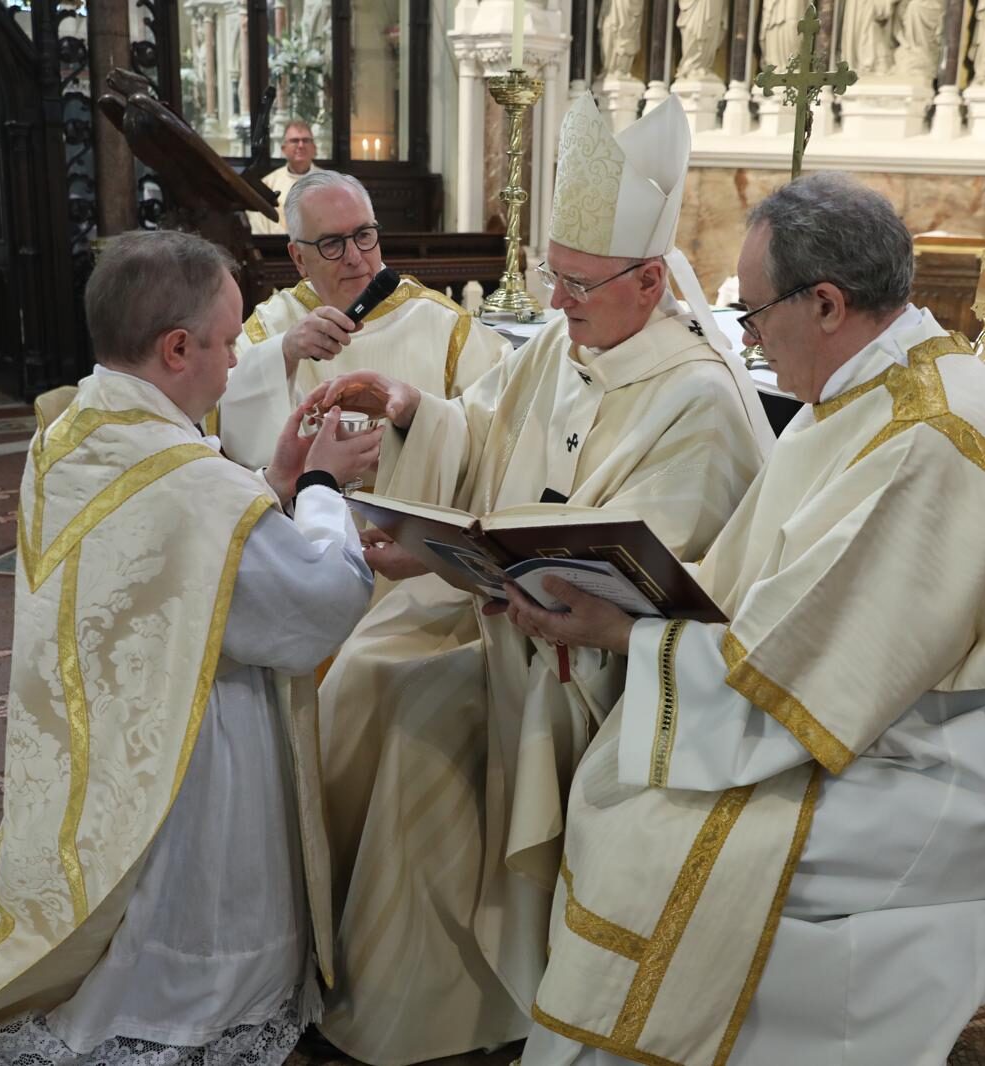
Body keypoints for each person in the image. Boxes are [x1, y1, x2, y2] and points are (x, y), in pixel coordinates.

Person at [501, 174, 985, 1066]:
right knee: (634, 800)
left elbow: (802, 676)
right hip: (872, 719)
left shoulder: (927, 438)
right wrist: (625, 596)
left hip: (944, 765)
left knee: (670, 840)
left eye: (756, 316)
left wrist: (619, 634)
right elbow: (777, 596)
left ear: (829, 304)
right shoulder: (857, 394)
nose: (751, 341)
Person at [305, 94, 774, 1065]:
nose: (554, 303)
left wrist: (529, 586)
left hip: (591, 663)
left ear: (648, 282)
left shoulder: (698, 398)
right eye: (550, 277)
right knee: (357, 670)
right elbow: (477, 427)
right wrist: (409, 410)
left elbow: (671, 574)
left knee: (413, 707)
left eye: (577, 284)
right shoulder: (565, 341)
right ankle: (330, 956)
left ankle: (433, 1007)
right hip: (492, 612)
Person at [0, 229, 381, 1065]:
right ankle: (190, 1004)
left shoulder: (73, 428)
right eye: (228, 341)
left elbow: (172, 562)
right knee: (189, 926)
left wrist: (274, 485)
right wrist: (324, 490)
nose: (235, 362)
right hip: (195, 752)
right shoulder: (193, 484)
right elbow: (316, 605)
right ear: (176, 348)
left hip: (105, 739)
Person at [215, 169, 506, 467]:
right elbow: (224, 419)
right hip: (303, 510)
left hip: (418, 509)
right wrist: (284, 355)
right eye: (332, 244)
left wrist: (417, 413)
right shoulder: (273, 326)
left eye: (364, 235)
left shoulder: (443, 322)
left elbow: (499, 418)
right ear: (298, 258)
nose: (354, 256)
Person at [249, 120, 321, 236]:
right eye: (295, 141)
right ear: (283, 149)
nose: (301, 145)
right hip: (277, 249)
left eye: (306, 140)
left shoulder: (331, 183)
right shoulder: (267, 185)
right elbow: (259, 226)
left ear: (314, 148)